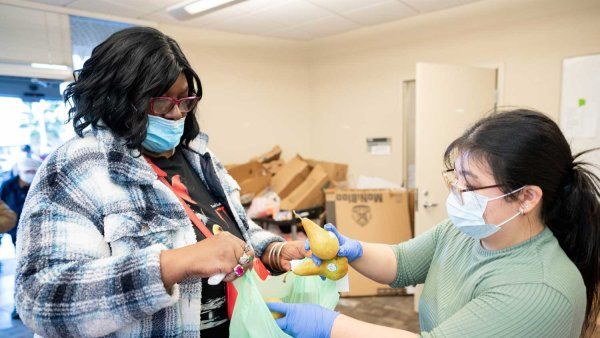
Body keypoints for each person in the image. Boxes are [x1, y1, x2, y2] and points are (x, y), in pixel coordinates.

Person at [15, 27, 307, 337]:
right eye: (161, 103)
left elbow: (240, 235)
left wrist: (275, 252)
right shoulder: (76, 166)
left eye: (184, 101)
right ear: (117, 100)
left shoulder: (199, 158)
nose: (176, 115)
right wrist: (172, 264)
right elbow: (41, 299)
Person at [268, 109, 600, 338]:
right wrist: (352, 250)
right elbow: (402, 263)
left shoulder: (539, 288)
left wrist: (331, 326)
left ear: (526, 197)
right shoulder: (465, 231)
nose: (456, 192)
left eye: (469, 184)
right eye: (454, 177)